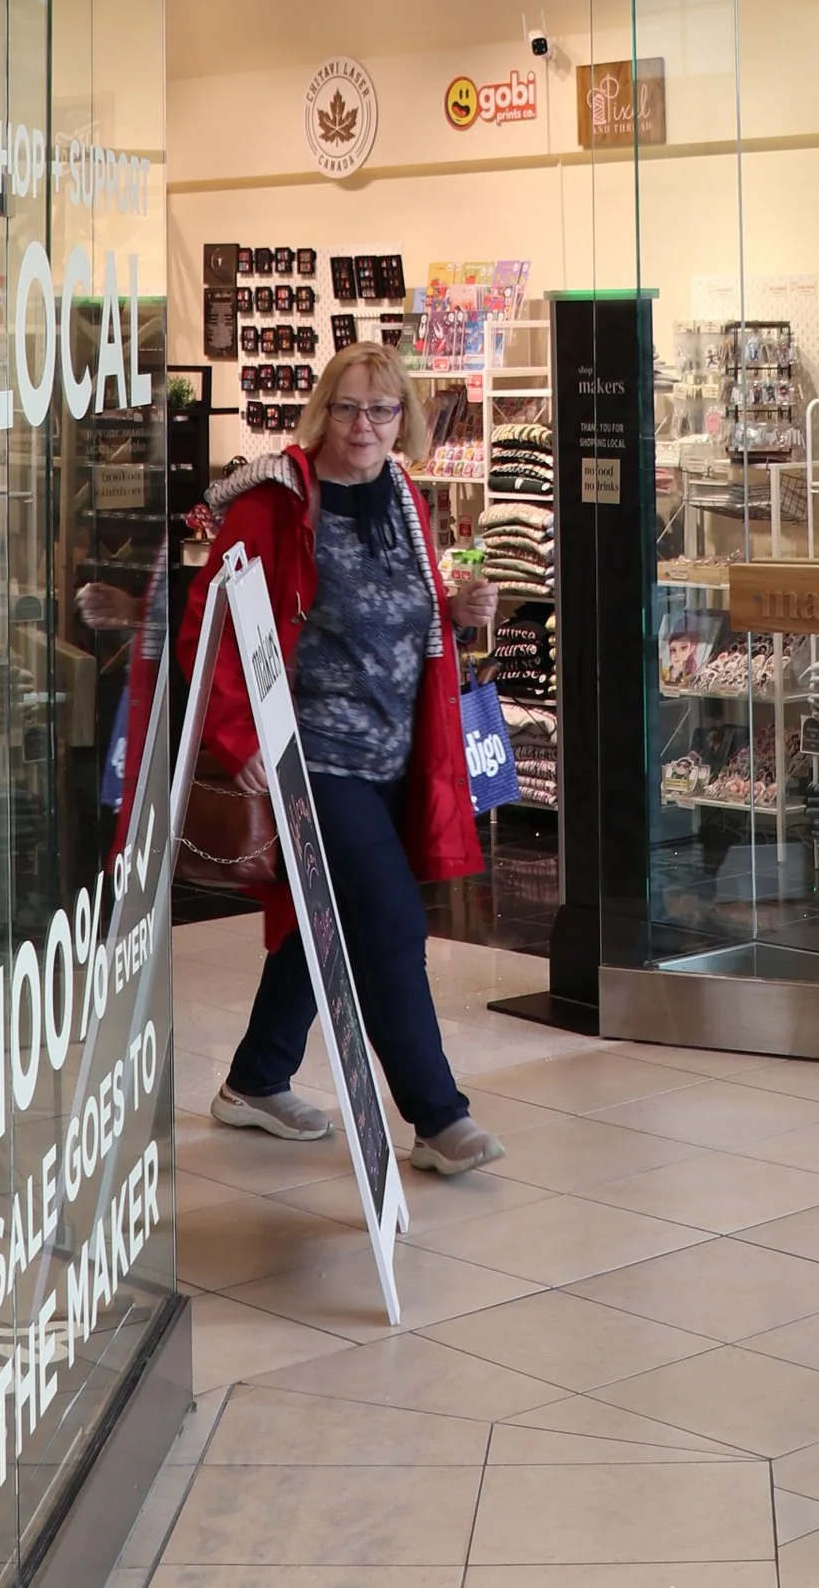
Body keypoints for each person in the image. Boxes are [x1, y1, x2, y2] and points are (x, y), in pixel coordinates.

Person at [164, 344, 504, 1172]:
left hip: (394, 751)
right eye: (348, 408)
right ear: (322, 412)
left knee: (333, 920)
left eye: (382, 410)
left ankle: (253, 1078)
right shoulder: (277, 501)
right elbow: (205, 631)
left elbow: (402, 622)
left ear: (404, 418)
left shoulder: (404, 497)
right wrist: (237, 737)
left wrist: (456, 613)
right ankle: (437, 1116)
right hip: (313, 756)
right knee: (387, 918)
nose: (364, 426)